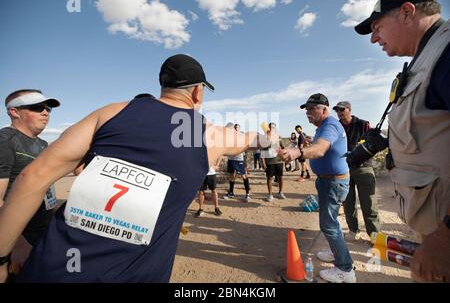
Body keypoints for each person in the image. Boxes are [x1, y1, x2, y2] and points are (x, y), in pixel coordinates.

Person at [0, 54, 274, 282]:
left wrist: (2, 257)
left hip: (53, 266)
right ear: (197, 91)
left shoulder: (110, 112)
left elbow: (32, 176)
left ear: (163, 86)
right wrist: (270, 138)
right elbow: (250, 140)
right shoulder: (206, 133)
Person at [355, 0, 449, 282]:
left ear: (407, 13)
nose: (373, 38)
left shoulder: (446, 55)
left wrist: (444, 238)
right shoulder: (426, 60)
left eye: (377, 26)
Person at [280, 93, 356, 283]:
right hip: (329, 181)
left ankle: (345, 269)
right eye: (306, 109)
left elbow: (321, 149)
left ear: (324, 109)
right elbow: (323, 147)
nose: (308, 112)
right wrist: (310, 144)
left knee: (328, 225)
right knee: (332, 223)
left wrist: (298, 151)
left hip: (333, 182)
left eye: (312, 108)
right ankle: (334, 251)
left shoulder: (329, 125)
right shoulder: (324, 127)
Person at [0, 89, 60, 275]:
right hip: (17, 239)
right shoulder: (5, 141)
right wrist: (16, 242)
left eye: (48, 108)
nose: (45, 112)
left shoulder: (43, 144)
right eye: (37, 107)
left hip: (41, 231)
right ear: (14, 112)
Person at [333, 101, 380, 241]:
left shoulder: (363, 124)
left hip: (363, 167)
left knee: (369, 204)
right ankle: (354, 230)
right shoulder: (336, 126)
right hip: (344, 169)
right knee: (348, 203)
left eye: (342, 109)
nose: (339, 112)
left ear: (349, 109)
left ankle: (375, 236)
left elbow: (372, 144)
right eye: (337, 110)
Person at [224, 124, 252, 202]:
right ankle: (231, 193)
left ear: (239, 129)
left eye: (237, 128)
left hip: (239, 159)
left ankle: (247, 194)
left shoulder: (241, 136)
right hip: (230, 159)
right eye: (235, 128)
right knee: (231, 176)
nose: (236, 129)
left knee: (243, 175)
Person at [261, 123, 286, 202]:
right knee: (269, 178)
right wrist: (263, 163)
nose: (272, 129)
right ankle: (270, 194)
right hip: (269, 162)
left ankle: (280, 192)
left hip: (279, 160)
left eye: (274, 127)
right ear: (268, 128)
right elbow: (262, 152)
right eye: (271, 127)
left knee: (280, 177)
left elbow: (283, 149)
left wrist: (284, 159)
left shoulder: (279, 137)